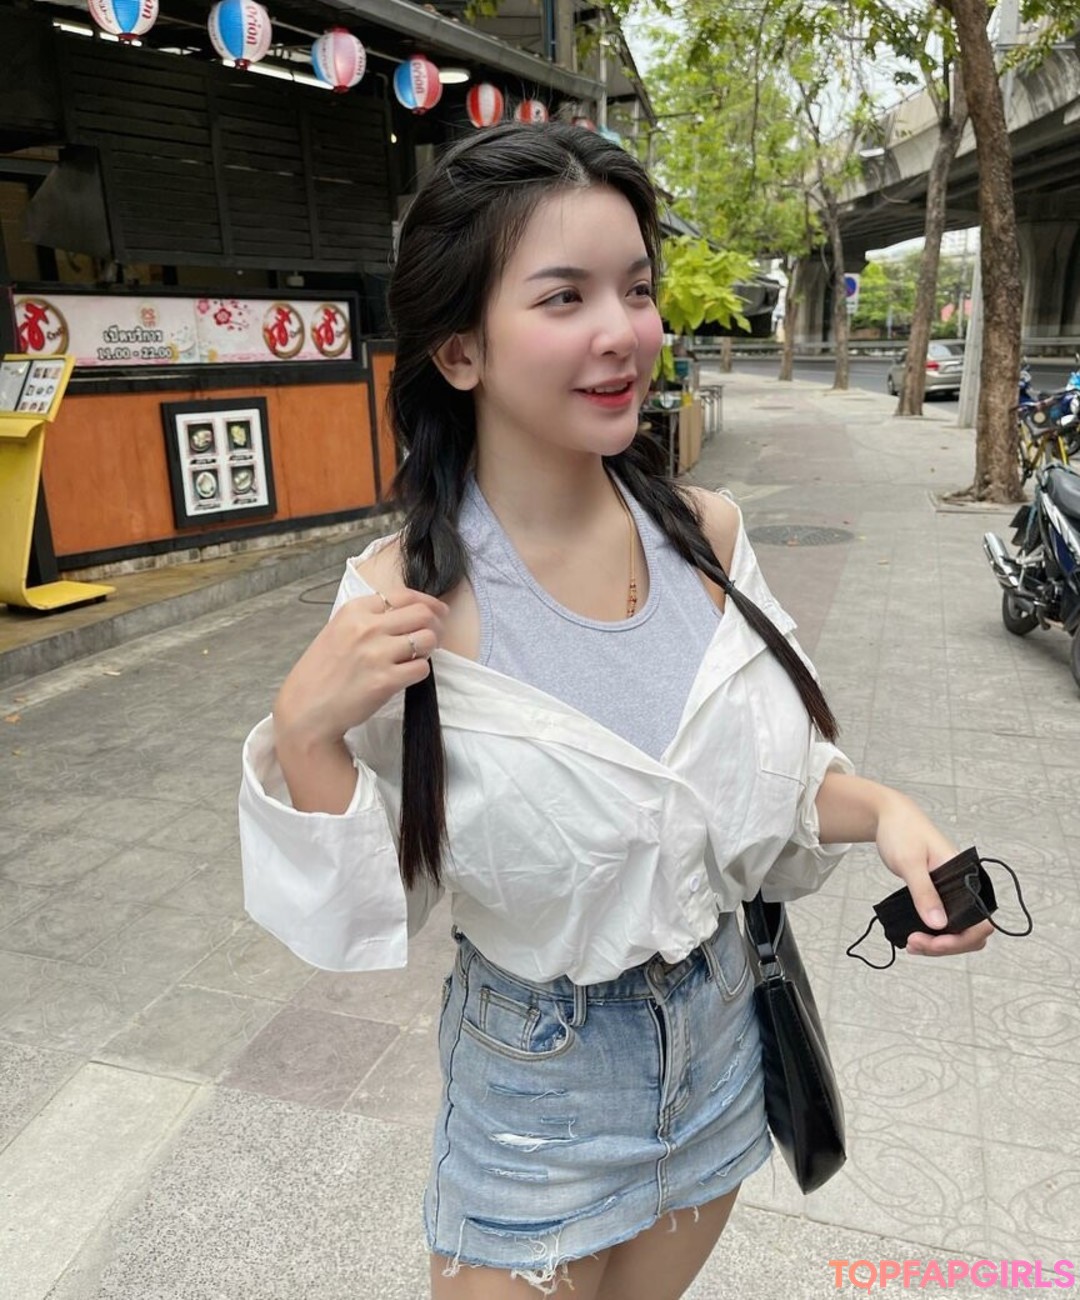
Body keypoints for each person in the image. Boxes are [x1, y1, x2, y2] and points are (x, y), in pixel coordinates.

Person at [238, 122, 993, 1300]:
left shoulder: (709, 536)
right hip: (533, 1094)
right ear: (459, 350)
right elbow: (370, 904)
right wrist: (304, 732)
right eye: (565, 296)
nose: (624, 332)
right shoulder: (401, 604)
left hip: (721, 1050)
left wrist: (891, 811)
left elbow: (767, 791)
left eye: (636, 290)